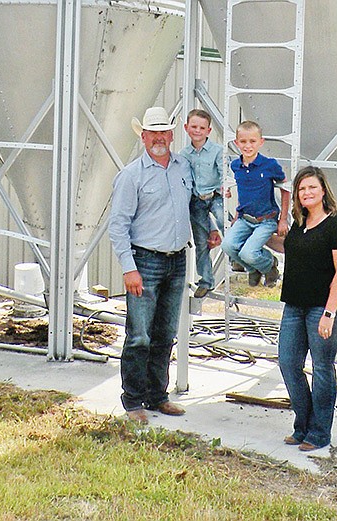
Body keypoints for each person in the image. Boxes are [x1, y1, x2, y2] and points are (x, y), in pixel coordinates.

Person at [109, 106, 192, 424]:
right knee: (139, 335)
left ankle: (158, 396)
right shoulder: (131, 176)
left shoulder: (183, 167)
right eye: (152, 132)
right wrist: (129, 268)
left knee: (165, 334)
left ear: (171, 135)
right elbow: (118, 225)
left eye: (163, 132)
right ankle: (133, 401)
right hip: (145, 262)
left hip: (177, 260)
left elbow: (194, 204)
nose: (159, 138)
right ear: (143, 137)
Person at [278, 166, 337, 451]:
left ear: (323, 190)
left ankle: (319, 432)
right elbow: (288, 248)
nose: (306, 193)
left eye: (312, 187)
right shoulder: (299, 223)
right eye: (301, 189)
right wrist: (257, 237)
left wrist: (329, 313)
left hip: (323, 307)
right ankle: (303, 423)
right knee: (288, 363)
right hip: (294, 305)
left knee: (322, 367)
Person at [221, 120, 289, 287]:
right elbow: (244, 191)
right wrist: (237, 214)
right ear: (236, 143)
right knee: (228, 246)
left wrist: (283, 219)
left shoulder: (269, 165)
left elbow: (285, 188)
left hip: (266, 219)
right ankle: (254, 269)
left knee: (249, 253)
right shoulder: (236, 165)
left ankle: (269, 264)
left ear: (261, 142)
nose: (248, 146)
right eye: (243, 141)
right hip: (245, 218)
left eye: (252, 141)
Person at [180, 109, 224, 299]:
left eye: (202, 128)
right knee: (201, 242)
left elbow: (223, 171)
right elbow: (185, 179)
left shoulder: (216, 151)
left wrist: (225, 188)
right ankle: (206, 280)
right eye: (194, 127)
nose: (197, 131)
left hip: (215, 196)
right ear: (186, 128)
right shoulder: (184, 154)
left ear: (208, 130)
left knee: (226, 224)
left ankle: (238, 258)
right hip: (197, 200)